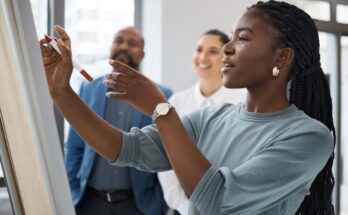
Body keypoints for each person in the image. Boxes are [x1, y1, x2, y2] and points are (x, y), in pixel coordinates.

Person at [40, 1, 336, 214]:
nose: (227, 48)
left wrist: (160, 108)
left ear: (282, 58)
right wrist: (60, 89)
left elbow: (218, 201)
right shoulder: (211, 118)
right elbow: (125, 149)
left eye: (243, 38)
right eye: (230, 37)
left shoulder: (309, 136)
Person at [64, 27, 171, 215]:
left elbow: (168, 152)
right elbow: (74, 146)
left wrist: (160, 203)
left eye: (132, 43)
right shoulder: (88, 89)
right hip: (89, 203)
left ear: (143, 54)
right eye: (118, 41)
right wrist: (73, 188)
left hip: (139, 205)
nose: (123, 46)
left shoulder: (162, 95)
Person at [157, 29, 246, 215]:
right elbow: (166, 161)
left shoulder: (243, 101)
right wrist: (186, 208)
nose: (203, 57)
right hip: (183, 208)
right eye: (199, 50)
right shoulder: (176, 102)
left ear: (227, 57)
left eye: (213, 51)